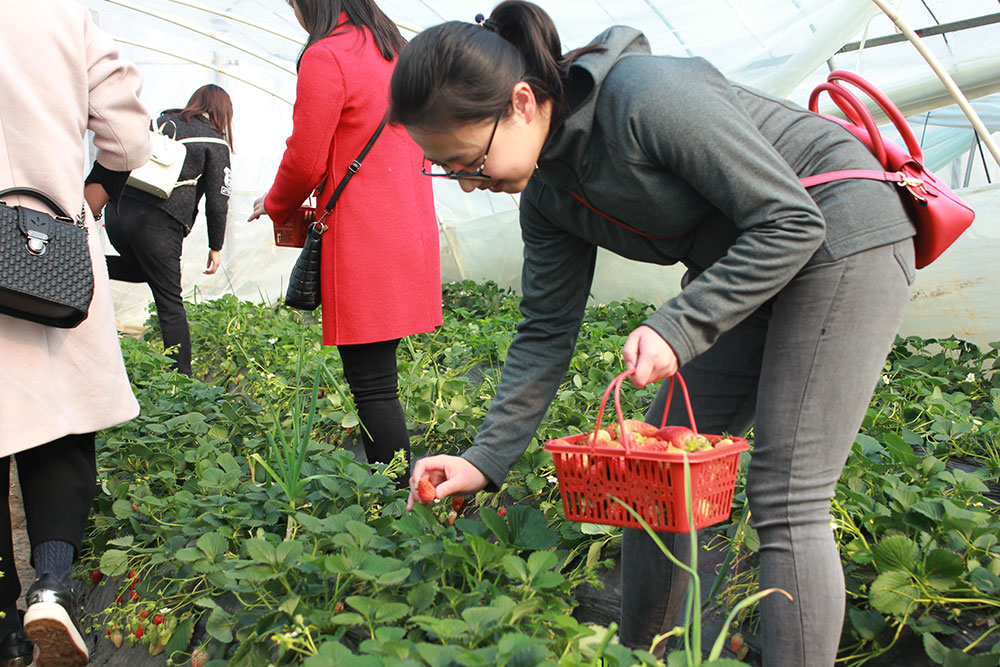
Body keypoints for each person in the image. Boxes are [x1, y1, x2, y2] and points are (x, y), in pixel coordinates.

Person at [393, 3, 916, 666]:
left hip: (842, 234)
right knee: (655, 477)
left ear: (522, 102)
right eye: (450, 171)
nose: (469, 186)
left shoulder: (648, 98)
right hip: (749, 267)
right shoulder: (549, 197)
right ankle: (647, 656)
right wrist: (483, 458)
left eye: (469, 161)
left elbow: (791, 220)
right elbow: (546, 329)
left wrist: (680, 325)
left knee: (786, 494)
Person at [0, 0, 151, 664]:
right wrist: (91, 191)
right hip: (42, 245)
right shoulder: (57, 12)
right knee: (58, 422)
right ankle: (53, 585)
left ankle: (4, 617)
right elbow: (126, 130)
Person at [248, 0, 441, 469]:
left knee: (373, 386)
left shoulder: (328, 55)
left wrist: (276, 203)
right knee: (382, 379)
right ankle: (394, 502)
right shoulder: (399, 50)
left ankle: (394, 509)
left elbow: (306, 158)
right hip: (410, 231)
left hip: (365, 241)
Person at [105, 84, 235, 376]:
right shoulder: (214, 141)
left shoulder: (160, 122)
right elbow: (218, 200)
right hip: (157, 225)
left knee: (140, 269)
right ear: (223, 113)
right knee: (170, 305)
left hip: (118, 213)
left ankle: (90, 263)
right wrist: (216, 246)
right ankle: (182, 386)